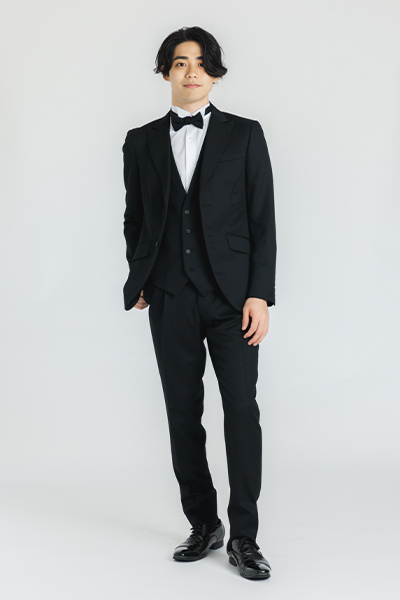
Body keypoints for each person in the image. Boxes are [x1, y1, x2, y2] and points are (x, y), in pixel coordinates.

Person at [121, 25, 276, 580]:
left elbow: (262, 219)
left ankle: (245, 536)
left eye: (202, 63)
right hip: (169, 295)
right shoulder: (140, 141)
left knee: (241, 411)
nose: (192, 72)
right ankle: (204, 523)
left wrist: (259, 294)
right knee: (182, 411)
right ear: (166, 70)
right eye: (181, 62)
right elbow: (135, 217)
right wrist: (142, 274)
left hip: (233, 300)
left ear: (215, 72)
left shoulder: (245, 134)